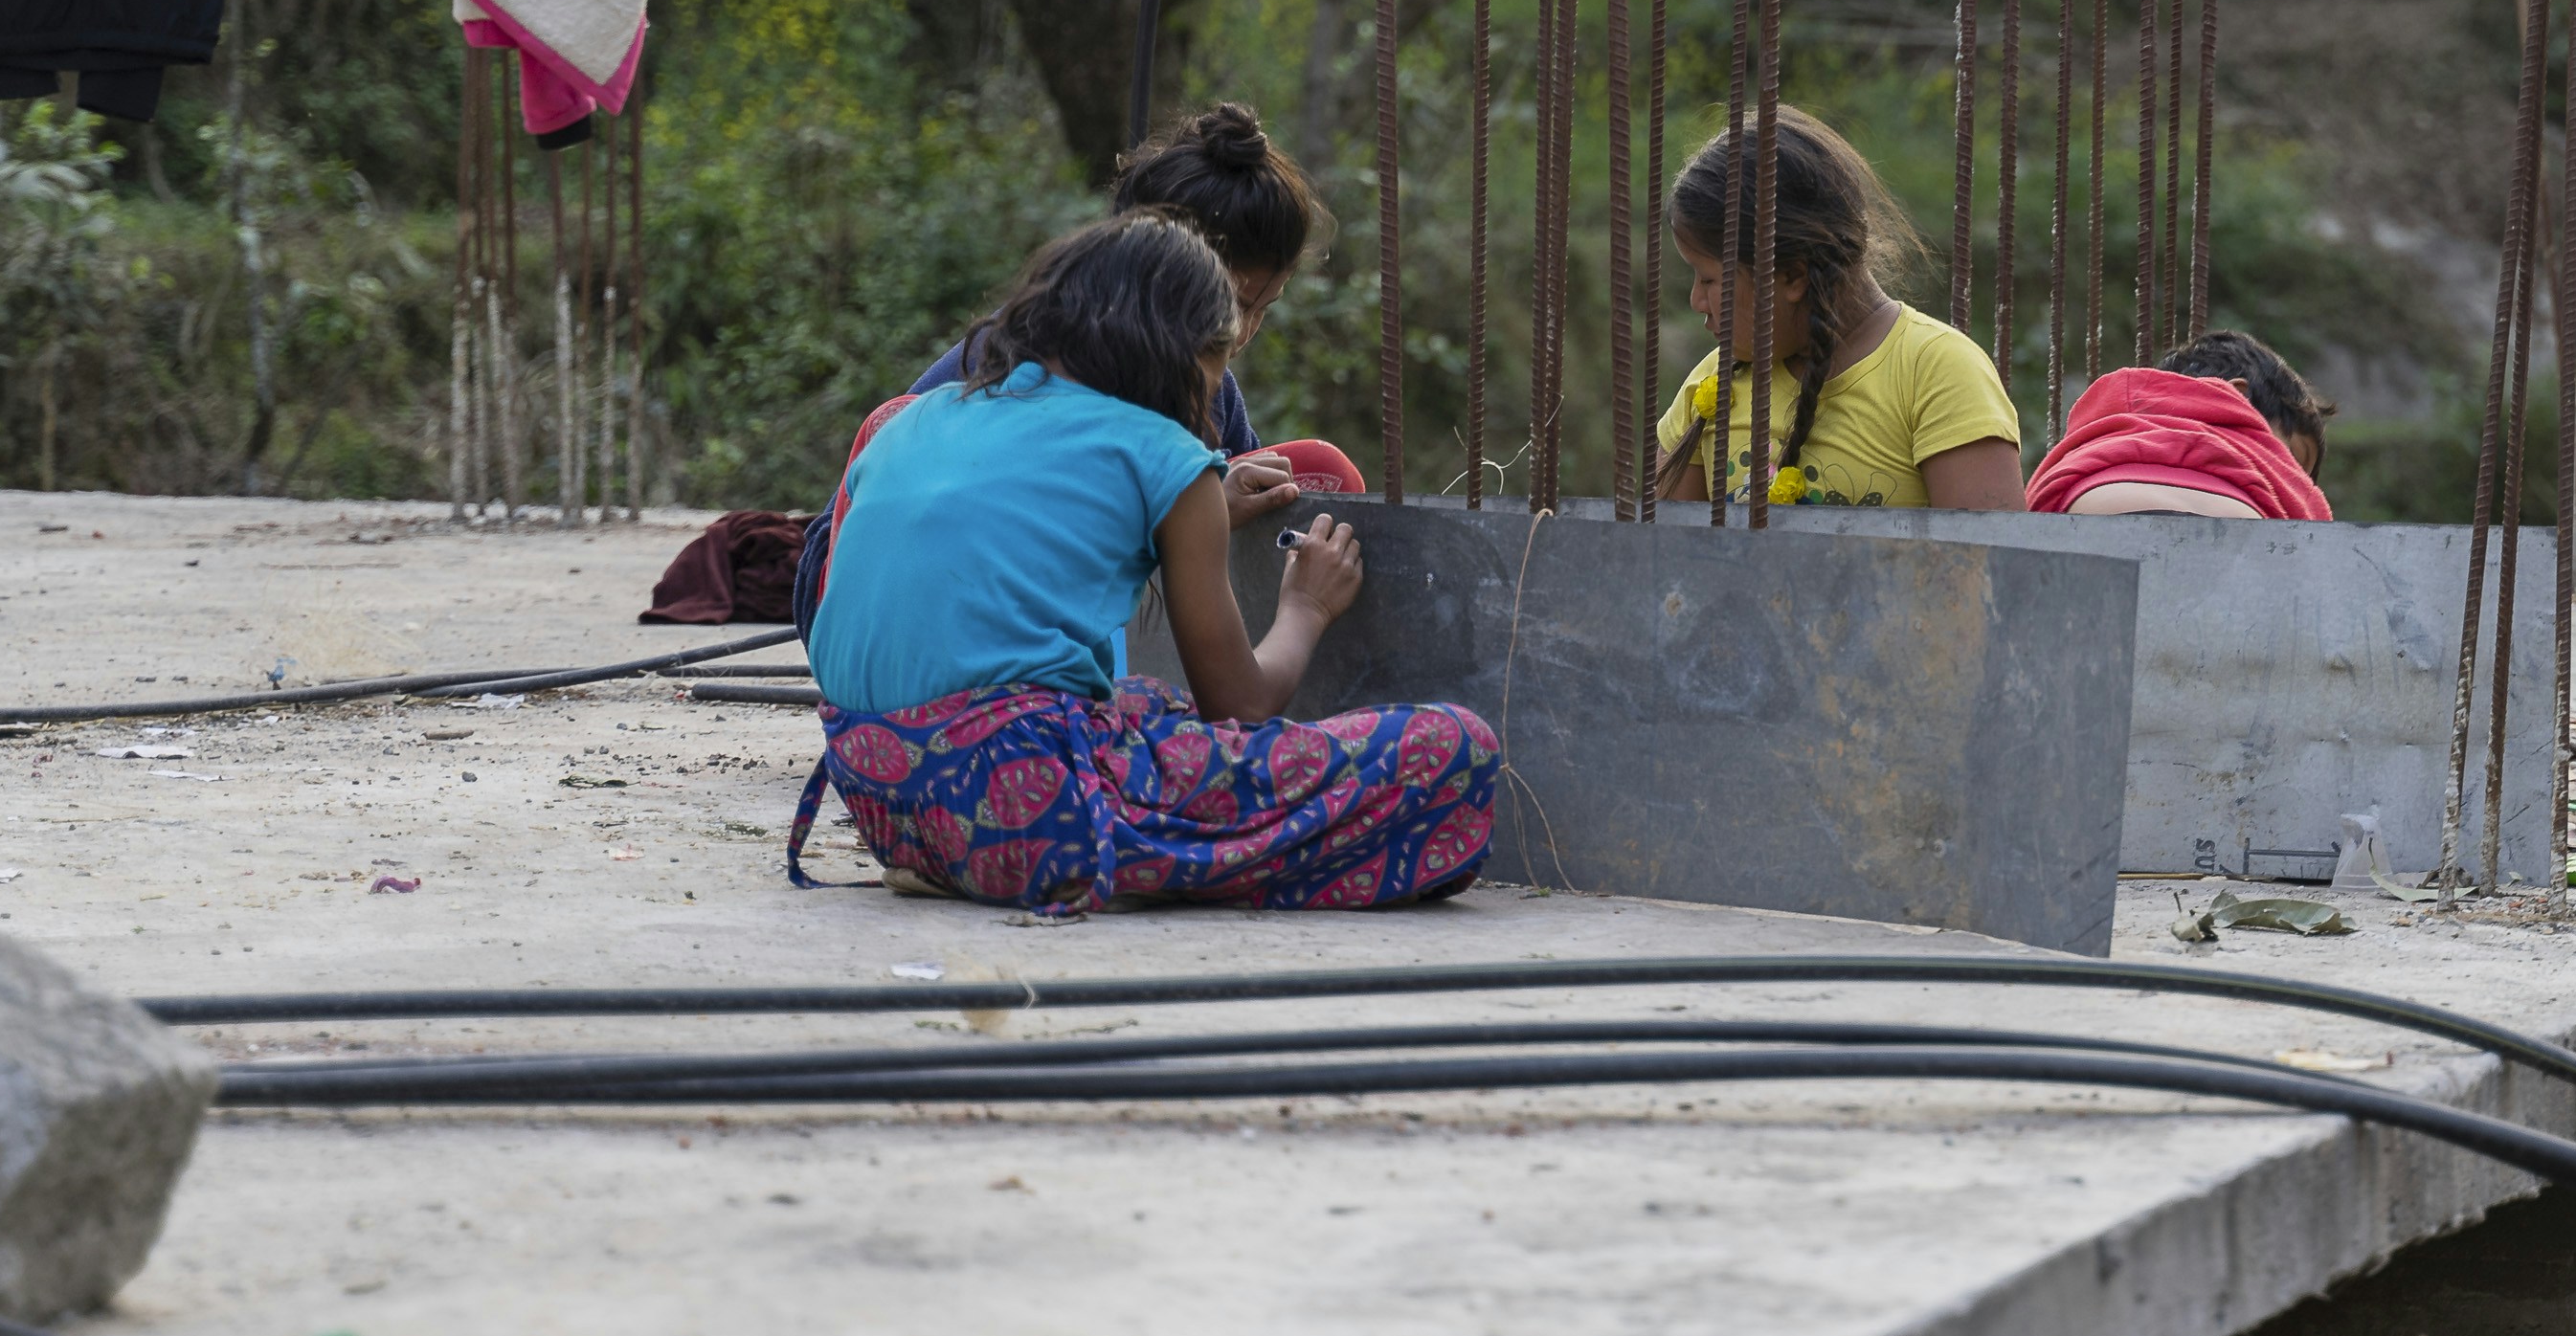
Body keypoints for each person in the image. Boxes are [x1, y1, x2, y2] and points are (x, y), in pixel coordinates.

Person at [794, 212, 1497, 912]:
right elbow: (1242, 704)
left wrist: (1200, 512)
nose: (1216, 392)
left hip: (883, 800)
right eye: (1218, 363)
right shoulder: (1163, 454)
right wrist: (1305, 608)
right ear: (1177, 350)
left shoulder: (911, 419)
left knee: (1147, 704)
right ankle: (1112, 858)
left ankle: (992, 858)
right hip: (1025, 809)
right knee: (1457, 749)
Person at [788, 101, 1328, 634]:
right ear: (1149, 270)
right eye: (1233, 303)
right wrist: (1186, 516)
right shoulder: (1034, 361)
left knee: (1315, 471)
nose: (1243, 331)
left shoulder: (1215, 390)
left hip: (1068, 609)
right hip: (892, 595)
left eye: (1264, 308)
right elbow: (1007, 517)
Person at [1647, 111, 2026, 511]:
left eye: (1709, 280)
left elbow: (1986, 566)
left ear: (1793, 276)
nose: (1696, 302)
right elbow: (1664, 559)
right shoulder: (1710, 386)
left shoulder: (1936, 374)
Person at [2029, 329, 2335, 520]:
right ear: (2235, 398)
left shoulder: (2106, 427)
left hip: (2083, 512)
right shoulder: (2242, 451)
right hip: (2232, 528)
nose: (2293, 477)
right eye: (2293, 458)